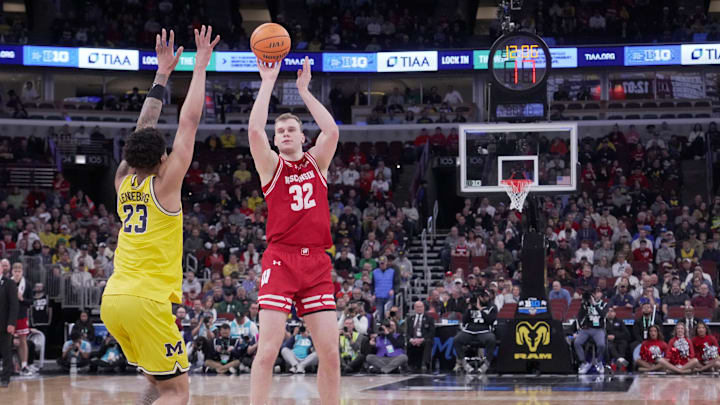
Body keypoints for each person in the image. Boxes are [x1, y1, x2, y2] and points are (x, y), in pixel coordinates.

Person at [100, 27, 218, 405]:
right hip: (146, 301)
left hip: (114, 299)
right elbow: (190, 122)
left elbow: (143, 129)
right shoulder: (164, 186)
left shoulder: (122, 181)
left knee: (156, 383)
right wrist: (199, 67)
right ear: (162, 158)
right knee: (177, 394)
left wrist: (162, 74)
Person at [248, 55, 340, 405]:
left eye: (290, 130)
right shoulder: (270, 166)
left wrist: (304, 91)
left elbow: (332, 131)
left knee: (330, 352)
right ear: (275, 141)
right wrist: (268, 81)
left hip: (316, 263)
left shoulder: (318, 162)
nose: (284, 134)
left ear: (302, 136)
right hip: (281, 262)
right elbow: (255, 130)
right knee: (268, 349)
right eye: (280, 132)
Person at [453, 290, 497, 374]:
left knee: (492, 339)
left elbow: (490, 321)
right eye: (481, 297)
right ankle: (464, 364)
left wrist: (480, 309)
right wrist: (469, 308)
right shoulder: (472, 307)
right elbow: (465, 320)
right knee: (456, 339)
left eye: (486, 296)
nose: (484, 298)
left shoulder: (492, 307)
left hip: (484, 331)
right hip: (469, 331)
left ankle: (486, 364)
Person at [575, 290, 608, 374]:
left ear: (601, 294)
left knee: (601, 344)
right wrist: (585, 305)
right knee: (577, 343)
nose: (595, 295)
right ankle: (584, 362)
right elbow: (580, 317)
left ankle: (599, 362)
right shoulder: (585, 304)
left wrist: (594, 304)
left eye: (597, 293)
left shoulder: (604, 304)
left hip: (598, 329)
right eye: (593, 293)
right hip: (586, 329)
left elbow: (603, 314)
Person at [10, 262, 33, 376]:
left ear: (22, 272)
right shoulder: (6, 283)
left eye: (19, 271)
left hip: (22, 316)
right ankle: (9, 365)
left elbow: (31, 302)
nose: (17, 273)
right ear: (12, 272)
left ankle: (24, 365)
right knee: (7, 341)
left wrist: (22, 299)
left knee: (23, 341)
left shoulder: (27, 284)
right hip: (8, 317)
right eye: (15, 271)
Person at [0, 261, 18, 388]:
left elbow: (14, 305)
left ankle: (5, 377)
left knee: (6, 351)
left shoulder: (9, 283)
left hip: (4, 324)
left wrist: (11, 323)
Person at [405, 300, 435, 372]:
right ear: (414, 308)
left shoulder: (429, 319)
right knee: (408, 343)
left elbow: (432, 332)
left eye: (421, 307)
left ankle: (425, 363)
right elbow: (407, 333)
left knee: (428, 342)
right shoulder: (410, 319)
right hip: (413, 339)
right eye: (417, 307)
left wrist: (422, 339)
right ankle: (411, 364)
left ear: (424, 308)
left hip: (424, 339)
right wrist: (411, 339)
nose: (419, 308)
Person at [605, 307, 631, 372]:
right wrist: (607, 336)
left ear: (615, 313)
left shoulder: (620, 321)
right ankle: (620, 359)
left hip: (619, 340)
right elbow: (600, 333)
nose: (610, 313)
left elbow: (626, 333)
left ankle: (620, 364)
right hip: (608, 341)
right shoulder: (603, 322)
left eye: (611, 311)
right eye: (608, 311)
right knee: (610, 346)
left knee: (623, 344)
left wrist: (615, 336)